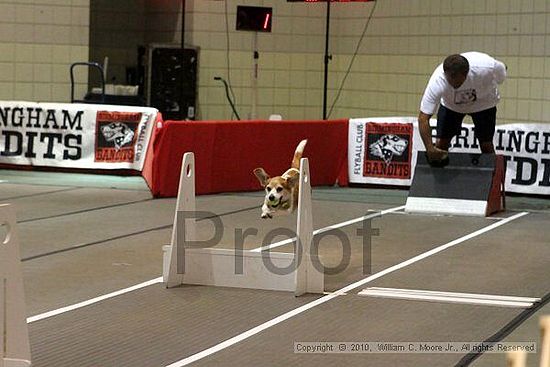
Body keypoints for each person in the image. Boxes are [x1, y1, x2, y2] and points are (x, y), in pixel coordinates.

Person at [418, 51, 507, 164]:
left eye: (456, 80)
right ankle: (440, 178)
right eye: (449, 79)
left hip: (484, 104)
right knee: (440, 144)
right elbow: (423, 118)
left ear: (466, 74)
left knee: (486, 145)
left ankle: (493, 177)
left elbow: (501, 76)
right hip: (452, 106)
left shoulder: (487, 67)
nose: (452, 83)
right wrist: (430, 149)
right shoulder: (438, 80)